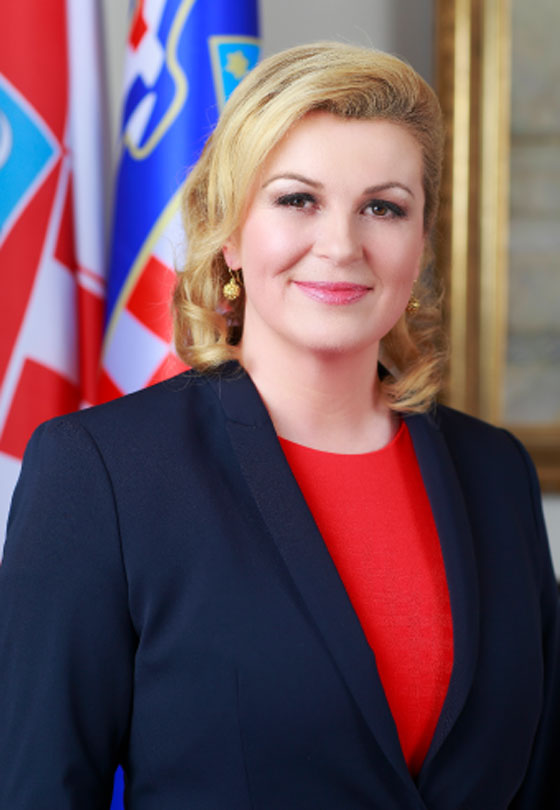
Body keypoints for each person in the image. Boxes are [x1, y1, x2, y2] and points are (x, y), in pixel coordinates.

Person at [0, 41, 558, 810]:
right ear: (229, 233)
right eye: (298, 200)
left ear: (421, 240)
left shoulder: (495, 470)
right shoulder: (102, 473)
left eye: (384, 207)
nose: (341, 246)